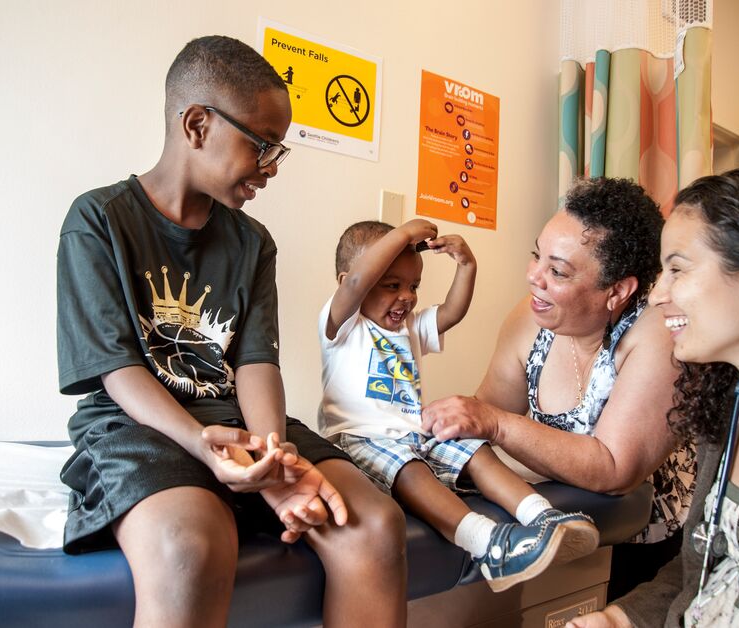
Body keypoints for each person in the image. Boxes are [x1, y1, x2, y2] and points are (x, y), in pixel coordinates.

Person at [56, 36, 407, 627]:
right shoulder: (98, 220)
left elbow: (255, 362)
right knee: (192, 546)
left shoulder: (253, 242)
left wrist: (271, 459)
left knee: (372, 523)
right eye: (262, 146)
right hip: (139, 423)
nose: (270, 169)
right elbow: (118, 370)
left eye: (279, 152)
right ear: (197, 124)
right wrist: (202, 444)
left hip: (239, 423)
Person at [568, 168, 739, 627]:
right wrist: (621, 619)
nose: (658, 296)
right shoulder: (730, 413)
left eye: (677, 269)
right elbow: (707, 571)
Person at [422, 178, 695, 599]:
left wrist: (496, 425)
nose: (534, 278)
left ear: (618, 290)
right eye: (537, 256)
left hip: (647, 542)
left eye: (558, 271)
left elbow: (613, 468)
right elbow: (485, 412)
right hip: (566, 515)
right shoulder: (531, 320)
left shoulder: (657, 333)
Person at [318, 219, 599, 592]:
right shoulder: (341, 326)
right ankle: (488, 545)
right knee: (411, 470)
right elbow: (357, 283)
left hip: (411, 431)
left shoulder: (408, 328)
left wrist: (467, 266)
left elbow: (452, 311)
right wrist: (401, 235)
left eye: (413, 286)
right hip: (361, 440)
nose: (406, 296)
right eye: (391, 285)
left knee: (475, 450)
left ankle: (544, 517)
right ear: (346, 282)